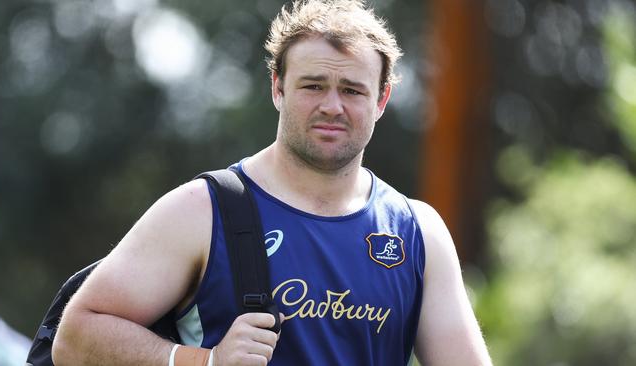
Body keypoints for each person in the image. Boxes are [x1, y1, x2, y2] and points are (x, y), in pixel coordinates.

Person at [53, 0, 493, 365]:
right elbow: (74, 336)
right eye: (313, 86)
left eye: (353, 90)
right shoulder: (202, 210)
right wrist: (205, 362)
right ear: (277, 88)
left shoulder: (418, 231)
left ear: (382, 99)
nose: (332, 106)